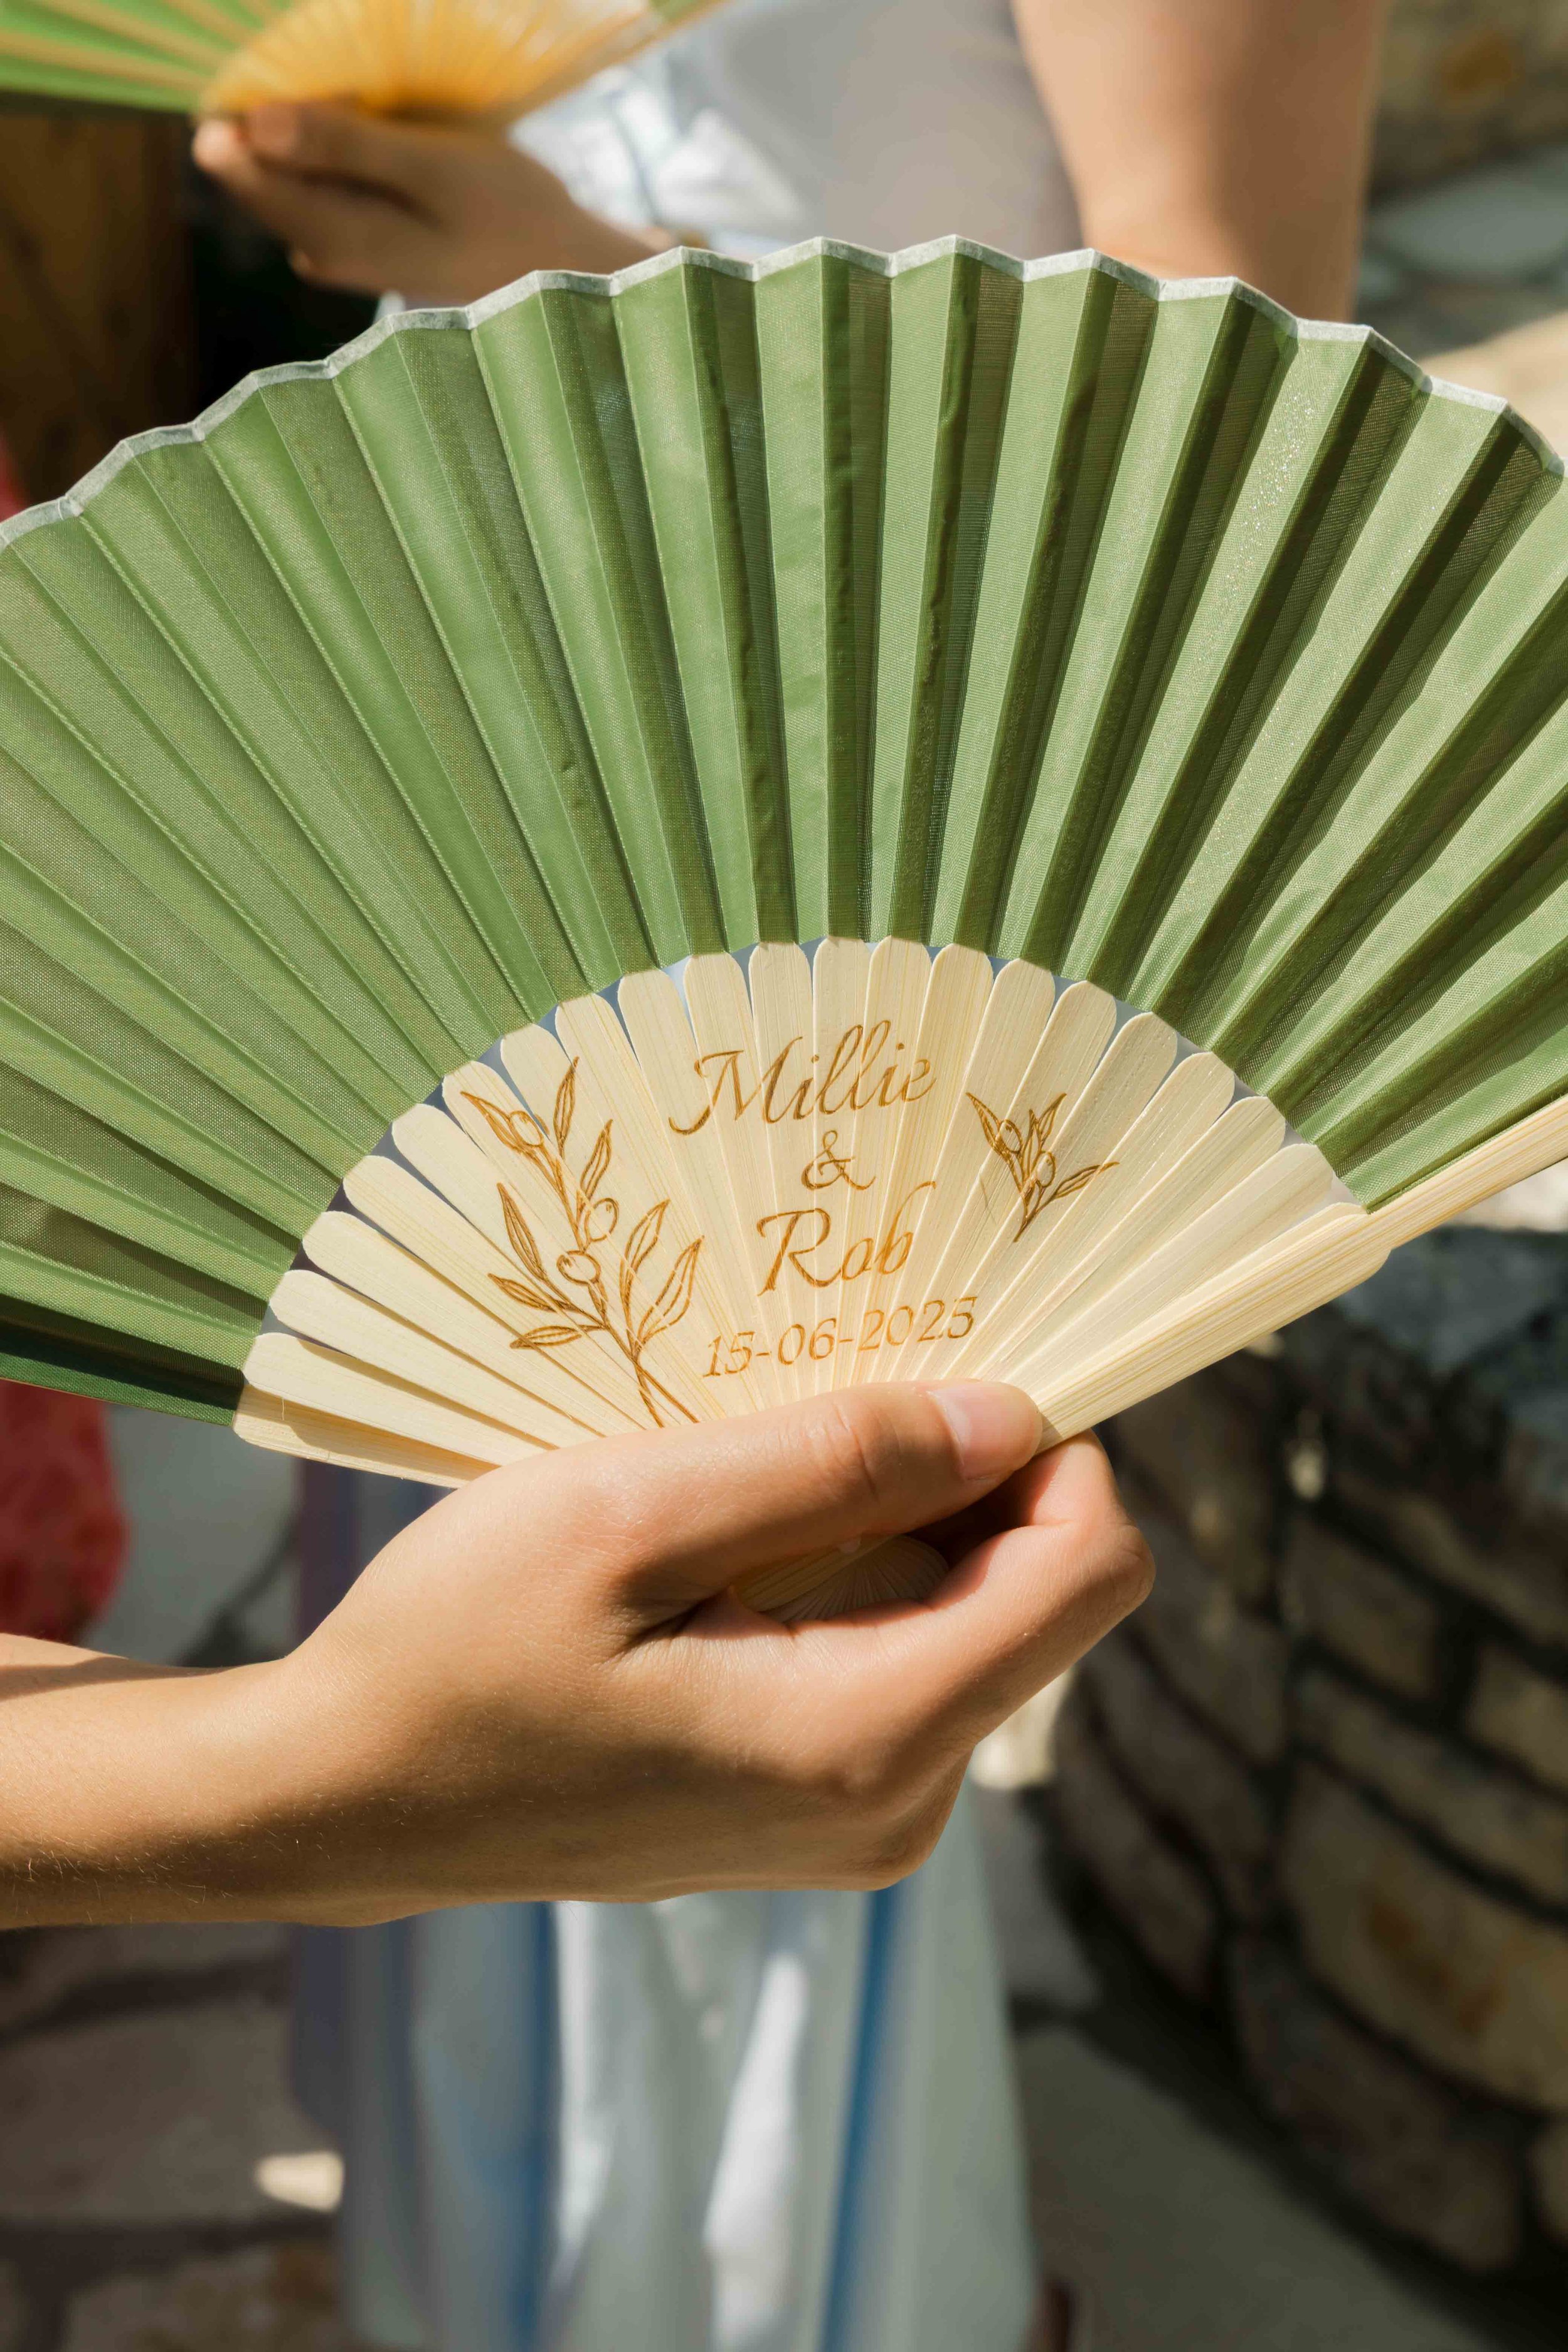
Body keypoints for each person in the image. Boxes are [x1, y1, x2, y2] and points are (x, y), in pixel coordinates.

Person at [186, 6, 1391, 2344]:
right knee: (460, 1583)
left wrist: (567, 268)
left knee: (738, 1677)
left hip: (845, 828)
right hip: (501, 698)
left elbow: (1236, 432)